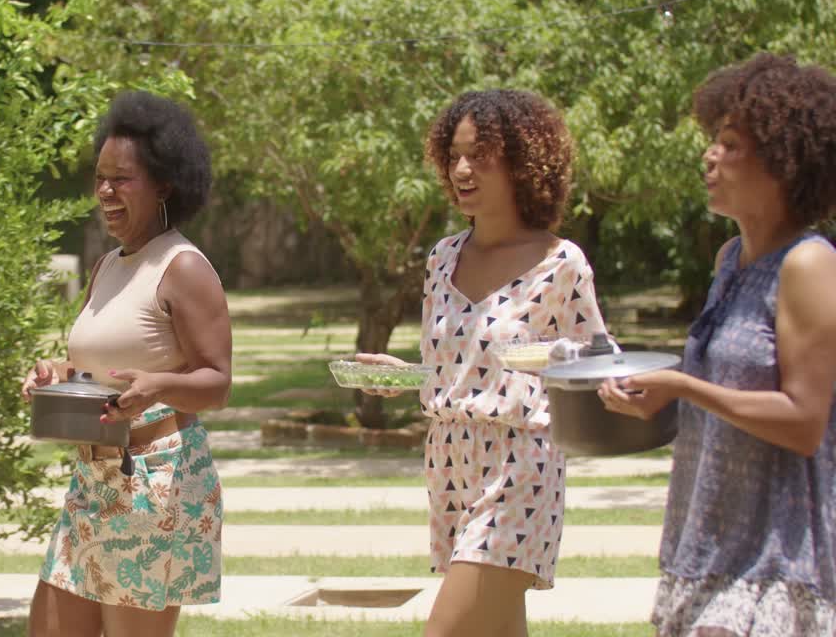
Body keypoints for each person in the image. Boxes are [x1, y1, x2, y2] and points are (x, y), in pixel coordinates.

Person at [358, 90, 611, 637]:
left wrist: (557, 358)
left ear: (522, 162)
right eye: (453, 156)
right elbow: (454, 364)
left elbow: (599, 361)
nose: (462, 169)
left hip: (522, 461)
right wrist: (402, 376)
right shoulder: (442, 257)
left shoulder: (560, 263)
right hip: (448, 460)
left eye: (480, 155)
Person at [599, 53, 836, 636]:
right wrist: (652, 401)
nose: (710, 155)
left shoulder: (808, 263)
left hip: (778, 556)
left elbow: (805, 422)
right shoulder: (729, 260)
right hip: (707, 541)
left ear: (785, 160)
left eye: (730, 144)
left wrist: (682, 385)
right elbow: (724, 393)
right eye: (714, 140)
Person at [21, 91, 232, 637]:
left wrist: (157, 385)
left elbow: (217, 382)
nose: (106, 192)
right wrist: (54, 376)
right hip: (93, 480)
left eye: (123, 179)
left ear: (165, 183)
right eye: (100, 178)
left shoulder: (182, 267)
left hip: (155, 487)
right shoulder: (108, 266)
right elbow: (93, 370)